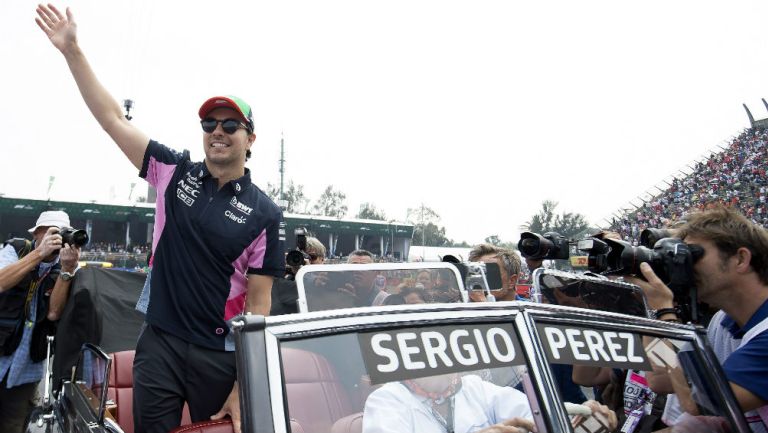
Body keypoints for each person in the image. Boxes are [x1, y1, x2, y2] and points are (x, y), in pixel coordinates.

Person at [36, 5, 285, 433]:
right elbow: (113, 119)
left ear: (250, 138)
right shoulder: (174, 171)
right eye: (209, 123)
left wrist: (243, 386)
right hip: (160, 343)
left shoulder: (266, 214)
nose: (217, 131)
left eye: (230, 124)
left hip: (219, 354)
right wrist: (72, 51)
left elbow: (259, 309)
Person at [627, 206, 768, 431]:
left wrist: (665, 311)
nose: (683, 267)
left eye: (692, 255)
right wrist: (653, 313)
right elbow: (662, 378)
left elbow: (698, 402)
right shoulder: (723, 323)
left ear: (740, 259)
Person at [0, 211, 80, 433]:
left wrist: (66, 270)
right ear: (36, 233)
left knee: (13, 426)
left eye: (61, 234)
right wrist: (38, 254)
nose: (56, 239)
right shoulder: (16, 249)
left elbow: (54, 313)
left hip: (25, 369)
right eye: (51, 231)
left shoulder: (62, 267)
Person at [271, 236, 326, 315]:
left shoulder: (329, 279)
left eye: (312, 257)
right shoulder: (286, 281)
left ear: (322, 259)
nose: (307, 261)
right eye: (301, 257)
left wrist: (306, 274)